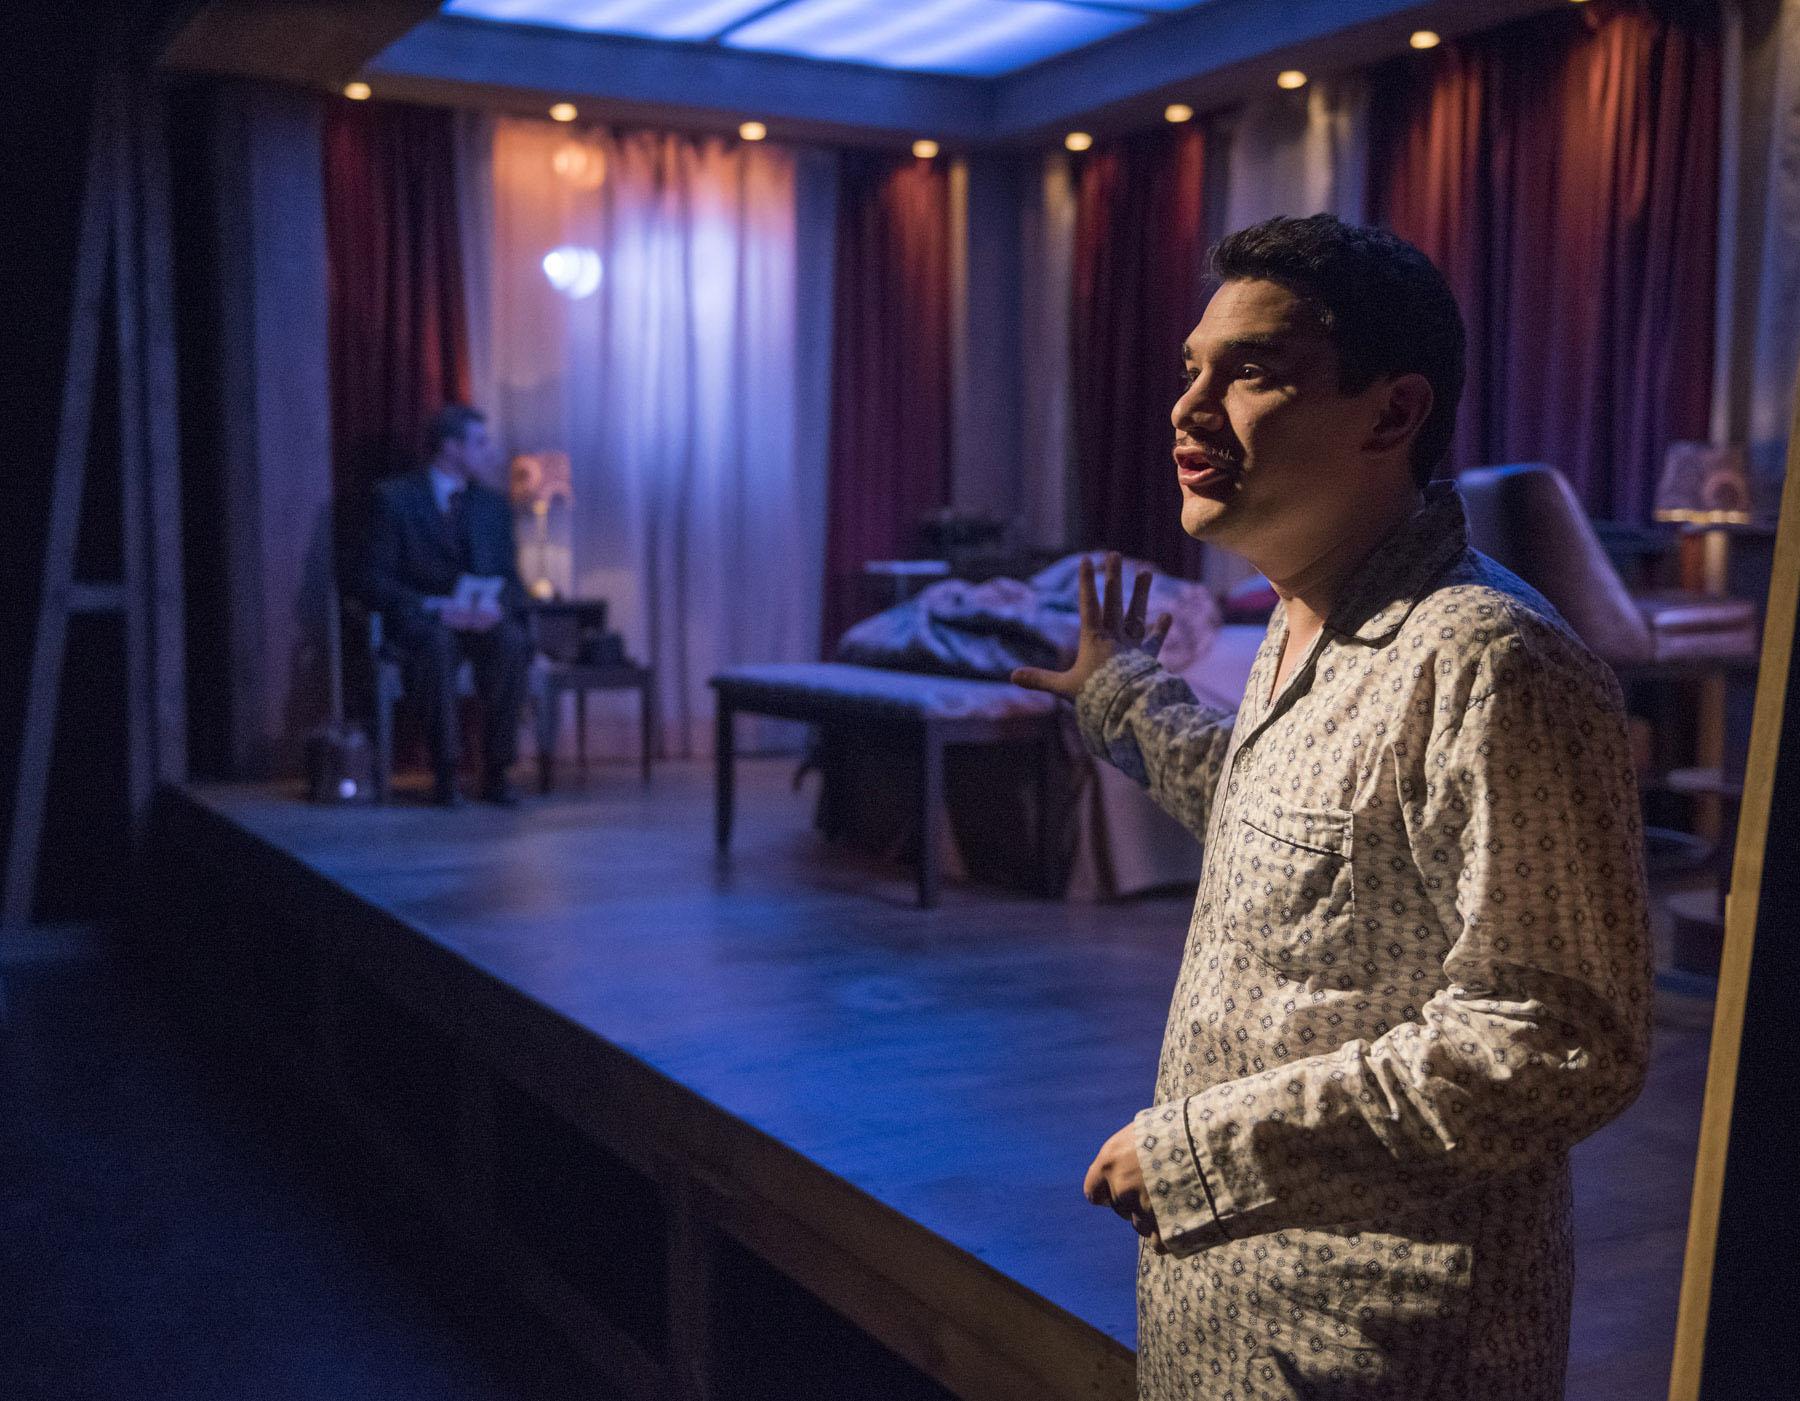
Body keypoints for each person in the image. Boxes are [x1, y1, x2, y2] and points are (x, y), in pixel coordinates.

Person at [1012, 215, 1652, 1399]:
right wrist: (1123, 699)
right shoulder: (1308, 610)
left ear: (1393, 413)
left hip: (1373, 1343)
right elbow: (1295, 834)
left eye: (1251, 371)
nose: (1188, 409)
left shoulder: (1491, 661)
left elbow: (1559, 1040)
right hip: (1235, 1314)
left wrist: (1209, 1147)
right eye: (1190, 370)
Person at [363, 405, 533, 806]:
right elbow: (373, 579)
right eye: (480, 442)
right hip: (425, 622)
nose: (489, 452)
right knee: (437, 645)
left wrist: (497, 607)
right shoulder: (394, 500)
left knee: (511, 640)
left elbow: (511, 580)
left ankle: (496, 771)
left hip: (480, 622)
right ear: (450, 447)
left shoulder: (493, 506)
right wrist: (434, 605)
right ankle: (445, 770)